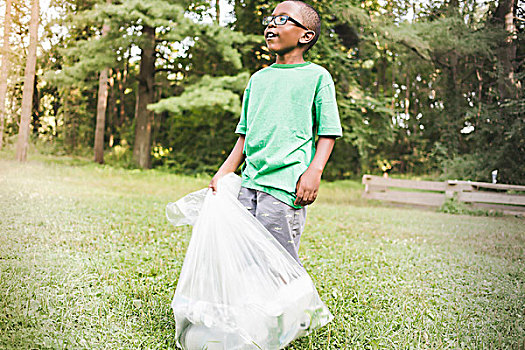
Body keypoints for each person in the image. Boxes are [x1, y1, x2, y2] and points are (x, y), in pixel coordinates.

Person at [209, 0, 342, 264]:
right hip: (249, 183)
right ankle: (251, 306)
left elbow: (328, 132)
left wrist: (314, 172)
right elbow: (244, 135)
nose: (271, 24)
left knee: (277, 260)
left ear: (306, 35)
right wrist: (224, 172)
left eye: (282, 19)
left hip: (285, 186)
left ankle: (287, 305)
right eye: (270, 19)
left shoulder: (317, 76)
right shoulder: (258, 79)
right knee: (244, 256)